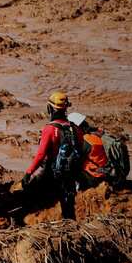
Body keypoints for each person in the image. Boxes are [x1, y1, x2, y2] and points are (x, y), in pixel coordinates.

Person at [22, 91, 83, 220]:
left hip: (53, 173)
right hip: (71, 174)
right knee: (68, 206)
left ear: (49, 108)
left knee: (30, 190)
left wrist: (28, 172)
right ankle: (71, 225)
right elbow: (81, 150)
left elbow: (40, 155)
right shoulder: (75, 128)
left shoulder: (49, 129)